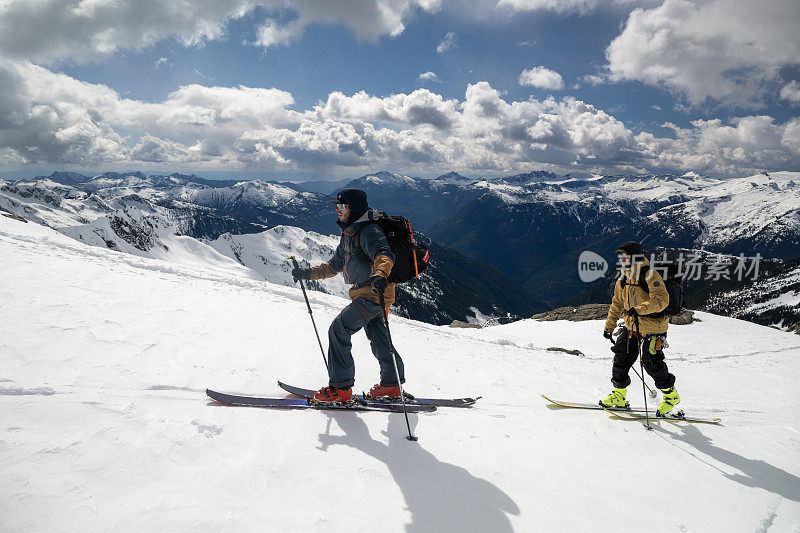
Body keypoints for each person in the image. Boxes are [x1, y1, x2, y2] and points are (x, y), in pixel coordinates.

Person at [291, 188, 404, 403]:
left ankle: (340, 389)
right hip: (367, 294)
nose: (338, 210)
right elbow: (334, 265)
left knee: (339, 329)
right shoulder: (349, 234)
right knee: (379, 339)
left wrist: (380, 274)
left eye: (342, 206)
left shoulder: (369, 231)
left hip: (373, 293)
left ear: (354, 208)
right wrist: (307, 273)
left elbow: (384, 255)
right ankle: (391, 385)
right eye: (337, 206)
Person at [600, 241, 680, 415]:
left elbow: (661, 300)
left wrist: (639, 309)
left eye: (625, 256)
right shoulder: (623, 279)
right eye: (620, 256)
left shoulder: (650, 275)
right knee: (621, 358)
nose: (621, 259)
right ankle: (619, 396)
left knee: (652, 363)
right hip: (631, 326)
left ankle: (670, 396)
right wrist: (609, 326)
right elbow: (617, 304)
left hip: (654, 327)